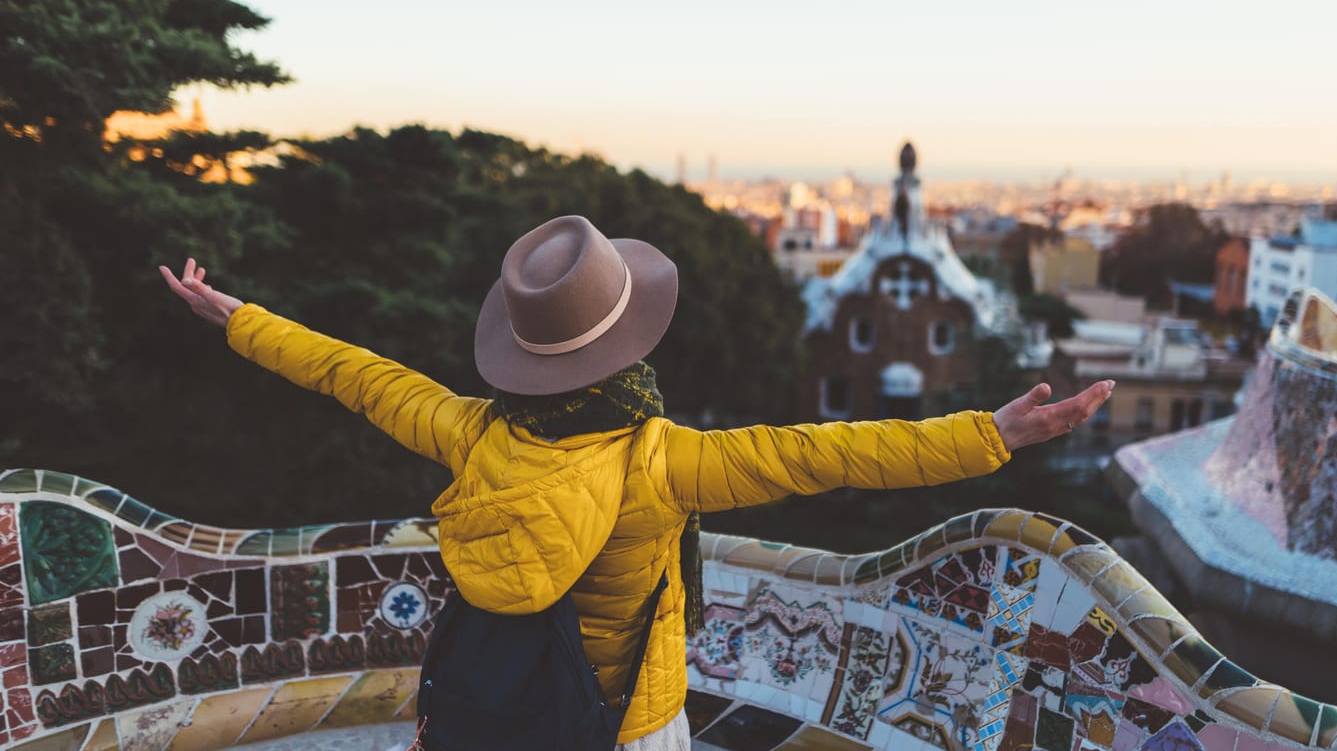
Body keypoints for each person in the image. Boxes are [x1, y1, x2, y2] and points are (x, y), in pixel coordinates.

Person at [160, 215, 1113, 751]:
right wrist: (994, 433)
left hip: (490, 717)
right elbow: (832, 451)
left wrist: (237, 314)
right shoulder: (665, 460)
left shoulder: (470, 433)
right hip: (629, 721)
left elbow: (356, 373)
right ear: (625, 347)